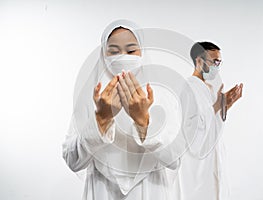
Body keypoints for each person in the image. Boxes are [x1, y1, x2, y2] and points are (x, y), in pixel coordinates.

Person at [62, 20, 181, 200]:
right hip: (102, 191)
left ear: (143, 52)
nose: (123, 57)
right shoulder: (91, 96)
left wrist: (143, 121)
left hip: (151, 190)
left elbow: (174, 159)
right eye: (114, 51)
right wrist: (101, 119)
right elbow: (73, 160)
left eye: (131, 51)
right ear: (103, 55)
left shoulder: (162, 96)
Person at [169, 41, 243, 200]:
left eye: (219, 62)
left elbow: (210, 122)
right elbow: (189, 128)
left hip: (213, 160)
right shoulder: (188, 87)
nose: (217, 66)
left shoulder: (207, 88)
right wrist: (216, 106)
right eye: (214, 61)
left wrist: (225, 105)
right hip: (197, 168)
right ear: (199, 61)